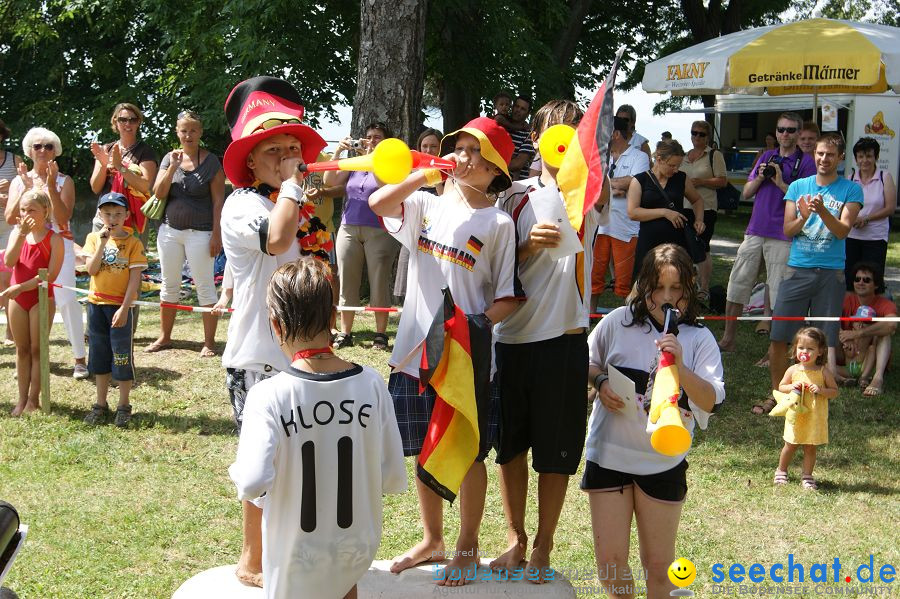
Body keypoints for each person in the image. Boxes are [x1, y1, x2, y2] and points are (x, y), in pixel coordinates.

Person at [369, 116, 523, 586]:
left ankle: (467, 545)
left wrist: (475, 326)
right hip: (416, 348)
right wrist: (421, 173)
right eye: (460, 147)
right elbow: (378, 200)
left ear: (495, 169)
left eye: (475, 152)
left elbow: (509, 296)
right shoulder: (423, 204)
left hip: (467, 356)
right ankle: (431, 538)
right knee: (422, 447)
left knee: (469, 452)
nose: (463, 157)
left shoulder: (497, 223)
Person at [229, 257, 406, 599]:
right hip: (355, 548)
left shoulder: (268, 395)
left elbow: (251, 482)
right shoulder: (370, 383)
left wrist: (236, 469)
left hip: (294, 556)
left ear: (276, 325)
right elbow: (392, 476)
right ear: (331, 317)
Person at [492, 99, 608, 582]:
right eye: (554, 130)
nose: (565, 139)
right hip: (513, 338)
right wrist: (524, 244)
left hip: (564, 338)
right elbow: (494, 268)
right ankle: (516, 538)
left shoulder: (591, 197)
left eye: (574, 130)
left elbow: (592, 199)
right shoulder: (512, 197)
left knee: (556, 450)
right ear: (537, 138)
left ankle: (544, 543)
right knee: (510, 446)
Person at [218, 75, 327, 587]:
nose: (289, 156)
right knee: (262, 466)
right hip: (256, 355)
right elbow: (277, 238)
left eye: (293, 147)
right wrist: (291, 185)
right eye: (276, 150)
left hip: (300, 353)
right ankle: (251, 559)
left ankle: (291, 549)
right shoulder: (242, 204)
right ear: (251, 161)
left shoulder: (296, 204)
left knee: (299, 463)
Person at [583, 244, 724, 598]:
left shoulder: (699, 338)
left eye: (676, 289)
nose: (666, 298)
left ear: (689, 291)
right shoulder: (617, 322)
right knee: (610, 568)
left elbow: (711, 400)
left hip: (662, 463)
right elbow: (584, 362)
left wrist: (679, 366)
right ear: (643, 286)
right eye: (657, 287)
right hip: (609, 456)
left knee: (659, 570)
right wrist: (600, 383)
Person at [766, 132, 862, 416]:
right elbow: (788, 230)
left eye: (830, 155)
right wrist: (806, 215)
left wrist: (823, 212)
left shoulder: (851, 190)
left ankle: (819, 395)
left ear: (840, 158)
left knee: (824, 340)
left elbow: (843, 231)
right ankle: (779, 393)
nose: (823, 159)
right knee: (779, 334)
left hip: (830, 274)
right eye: (819, 153)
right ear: (813, 155)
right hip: (798, 269)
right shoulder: (797, 187)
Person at [718, 112, 815, 361]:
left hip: (782, 234)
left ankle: (776, 349)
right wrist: (762, 175)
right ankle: (728, 339)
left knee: (780, 293)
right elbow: (746, 193)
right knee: (737, 283)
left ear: (798, 133)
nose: (785, 134)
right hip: (755, 230)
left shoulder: (806, 163)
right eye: (781, 130)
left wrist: (782, 182)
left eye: (791, 130)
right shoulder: (766, 157)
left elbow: (804, 202)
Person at [6, 127, 86, 379]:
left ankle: (79, 359)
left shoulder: (64, 181)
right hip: (28, 246)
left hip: (58, 245)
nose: (42, 150)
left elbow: (63, 218)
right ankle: (32, 359)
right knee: (27, 300)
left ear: (55, 152)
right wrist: (25, 190)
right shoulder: (20, 180)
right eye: (37, 146)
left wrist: (50, 186)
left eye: (48, 146)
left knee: (65, 300)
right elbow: (10, 217)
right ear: (29, 151)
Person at [146, 110, 226, 357]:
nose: (188, 135)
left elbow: (218, 203)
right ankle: (165, 337)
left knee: (205, 287)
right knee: (169, 285)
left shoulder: (211, 161)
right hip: (169, 231)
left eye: (193, 130)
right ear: (177, 132)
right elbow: (158, 193)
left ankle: (209, 343)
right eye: (184, 130)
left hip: (201, 233)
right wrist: (172, 168)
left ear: (200, 132)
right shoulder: (169, 158)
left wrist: (217, 235)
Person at [325, 121, 400, 351]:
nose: (371, 140)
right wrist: (340, 152)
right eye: (369, 136)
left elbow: (386, 185)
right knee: (347, 281)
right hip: (349, 227)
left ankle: (380, 335)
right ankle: (346, 333)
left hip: (379, 229)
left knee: (379, 281)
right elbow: (329, 181)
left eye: (377, 137)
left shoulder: (389, 164)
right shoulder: (354, 162)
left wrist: (373, 159)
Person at [80, 192, 147, 428]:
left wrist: (124, 308)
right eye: (107, 213)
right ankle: (100, 404)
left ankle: (124, 405)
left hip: (120, 308)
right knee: (98, 355)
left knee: (121, 356)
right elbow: (91, 270)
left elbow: (134, 280)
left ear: (127, 215)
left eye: (118, 213)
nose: (113, 218)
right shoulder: (93, 238)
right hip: (96, 305)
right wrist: (102, 243)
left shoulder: (133, 243)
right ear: (100, 214)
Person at [1, 189, 64, 415]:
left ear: (45, 211)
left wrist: (21, 287)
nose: (26, 214)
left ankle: (33, 399)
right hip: (18, 299)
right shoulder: (16, 234)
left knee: (38, 349)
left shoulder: (54, 239)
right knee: (22, 349)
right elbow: (9, 261)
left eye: (32, 210)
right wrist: (20, 234)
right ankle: (21, 399)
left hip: (40, 298)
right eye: (23, 210)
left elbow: (50, 276)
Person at [770, 327, 838, 491]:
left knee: (810, 446)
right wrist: (793, 386)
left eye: (810, 348)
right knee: (790, 444)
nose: (804, 352)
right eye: (801, 348)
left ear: (820, 351)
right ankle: (781, 470)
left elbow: (835, 391)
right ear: (795, 349)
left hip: (814, 417)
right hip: (796, 416)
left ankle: (807, 475)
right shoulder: (793, 370)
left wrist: (821, 390)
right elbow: (781, 386)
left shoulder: (823, 372)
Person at [627, 139, 704, 280]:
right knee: (645, 283)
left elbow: (697, 200)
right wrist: (664, 212)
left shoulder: (681, 178)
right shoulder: (639, 180)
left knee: (676, 282)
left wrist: (699, 220)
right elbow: (633, 212)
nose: (675, 170)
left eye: (678, 166)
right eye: (672, 165)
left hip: (676, 243)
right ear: (659, 159)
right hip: (649, 242)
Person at [591, 116, 649, 302]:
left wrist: (605, 187)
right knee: (594, 275)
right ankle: (589, 316)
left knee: (624, 281)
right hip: (599, 226)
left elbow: (635, 184)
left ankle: (624, 319)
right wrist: (617, 187)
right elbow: (591, 185)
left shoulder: (639, 156)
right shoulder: (601, 156)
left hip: (626, 227)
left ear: (615, 134)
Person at [89, 102, 158, 247]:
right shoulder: (106, 149)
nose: (128, 124)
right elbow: (95, 188)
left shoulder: (145, 151)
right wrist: (103, 164)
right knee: (100, 265)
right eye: (123, 119)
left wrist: (120, 167)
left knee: (133, 266)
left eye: (133, 120)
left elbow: (145, 185)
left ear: (138, 122)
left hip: (132, 218)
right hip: (104, 217)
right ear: (115, 121)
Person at [393, 127, 444, 301]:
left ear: (441, 148)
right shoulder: (410, 171)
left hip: (438, 230)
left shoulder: (447, 171)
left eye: (433, 147)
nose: (428, 151)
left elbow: (445, 198)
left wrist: (437, 173)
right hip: (412, 228)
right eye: (425, 146)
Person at [679, 120, 727, 301]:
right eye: (694, 133)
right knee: (684, 247)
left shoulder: (714, 155)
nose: (696, 137)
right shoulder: (684, 155)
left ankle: (704, 288)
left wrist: (701, 182)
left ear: (708, 137)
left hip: (706, 207)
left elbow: (722, 180)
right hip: (684, 207)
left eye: (701, 134)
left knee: (702, 246)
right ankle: (686, 284)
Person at [837, 262, 896, 396]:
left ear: (876, 285)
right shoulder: (845, 300)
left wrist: (859, 333)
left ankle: (877, 379)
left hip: (871, 357)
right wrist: (843, 335)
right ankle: (834, 373)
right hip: (846, 354)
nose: (861, 283)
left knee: (885, 334)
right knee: (828, 330)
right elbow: (827, 321)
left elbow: (892, 324)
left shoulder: (886, 304)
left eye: (866, 280)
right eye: (857, 279)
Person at [844, 137, 896, 289]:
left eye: (869, 156)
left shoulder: (884, 177)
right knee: (850, 279)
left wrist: (866, 218)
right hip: (852, 237)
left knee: (872, 281)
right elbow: (844, 206)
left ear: (876, 157)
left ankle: (872, 312)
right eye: (860, 156)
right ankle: (851, 311)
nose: (864, 160)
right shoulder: (850, 179)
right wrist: (853, 218)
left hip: (875, 238)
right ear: (855, 159)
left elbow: (890, 208)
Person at [0, 119, 25, 345]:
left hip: (10, 228)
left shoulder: (15, 160)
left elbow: (26, 190)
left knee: (8, 279)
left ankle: (10, 332)